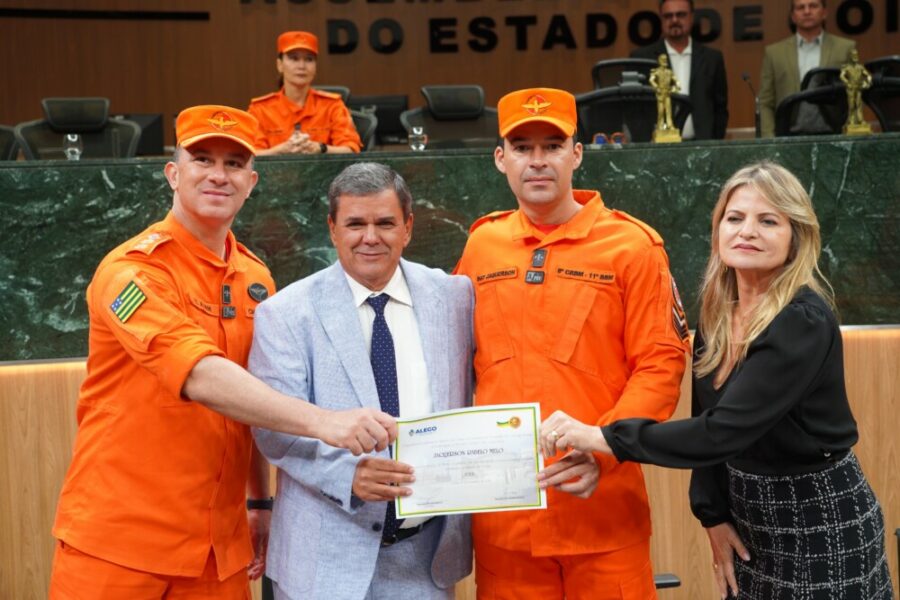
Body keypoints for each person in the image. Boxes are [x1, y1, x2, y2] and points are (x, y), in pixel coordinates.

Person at [49, 105, 396, 599]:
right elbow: (200, 375)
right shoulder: (132, 273)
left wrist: (260, 503)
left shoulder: (256, 279)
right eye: (202, 159)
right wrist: (326, 422)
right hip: (120, 543)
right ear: (173, 173)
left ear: (252, 182)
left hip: (220, 550)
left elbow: (257, 396)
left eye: (234, 164)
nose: (219, 175)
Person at [540, 162, 894, 600]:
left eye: (768, 221)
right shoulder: (716, 314)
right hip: (747, 519)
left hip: (819, 517)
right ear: (718, 229)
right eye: (735, 218)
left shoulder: (802, 321)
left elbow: (720, 432)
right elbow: (705, 416)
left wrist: (602, 437)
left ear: (795, 237)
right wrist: (712, 516)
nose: (747, 231)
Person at [454, 87, 691, 599]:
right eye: (522, 147)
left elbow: (660, 364)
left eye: (552, 145)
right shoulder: (480, 245)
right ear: (500, 159)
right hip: (505, 522)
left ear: (577, 154)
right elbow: (455, 364)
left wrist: (603, 448)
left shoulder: (632, 246)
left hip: (602, 514)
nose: (537, 161)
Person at [248, 162, 474, 600]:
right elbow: (273, 429)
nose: (370, 237)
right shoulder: (286, 313)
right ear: (332, 229)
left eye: (385, 223)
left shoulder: (456, 297)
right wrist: (346, 475)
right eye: (355, 224)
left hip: (425, 563)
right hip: (321, 564)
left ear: (408, 227)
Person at [249, 31, 361, 155]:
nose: (301, 66)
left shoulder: (332, 105)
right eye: (294, 58)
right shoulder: (260, 109)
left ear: (315, 66)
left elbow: (351, 150)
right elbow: (250, 154)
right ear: (279, 65)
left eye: (309, 59)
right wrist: (280, 151)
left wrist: (321, 148)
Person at [631, 0, 729, 140]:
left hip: (703, 146)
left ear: (691, 17)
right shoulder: (641, 58)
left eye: (681, 14)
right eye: (668, 16)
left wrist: (714, 142)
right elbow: (634, 110)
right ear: (661, 19)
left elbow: (720, 108)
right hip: (657, 147)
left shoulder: (712, 59)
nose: (674, 20)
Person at [758, 0, 855, 137]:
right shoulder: (774, 53)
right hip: (787, 136)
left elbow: (855, 95)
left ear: (824, 12)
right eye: (800, 7)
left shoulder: (845, 48)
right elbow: (766, 101)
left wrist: (851, 133)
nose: (807, 11)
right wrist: (769, 138)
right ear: (792, 16)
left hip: (834, 133)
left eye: (813, 6)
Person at [840, 48, 872, 128]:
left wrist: (867, 82)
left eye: (856, 55)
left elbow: (868, 75)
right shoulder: (847, 67)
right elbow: (842, 76)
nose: (855, 57)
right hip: (851, 88)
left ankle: (860, 120)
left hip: (858, 87)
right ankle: (851, 120)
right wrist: (847, 83)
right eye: (853, 55)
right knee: (851, 105)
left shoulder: (860, 67)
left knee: (858, 104)